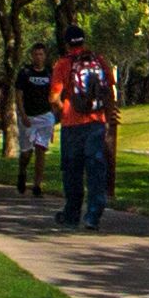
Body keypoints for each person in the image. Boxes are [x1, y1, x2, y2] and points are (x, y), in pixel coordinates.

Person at [49, 24, 123, 229]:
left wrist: (61, 111)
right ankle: (93, 215)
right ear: (83, 40)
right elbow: (109, 91)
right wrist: (108, 116)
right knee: (95, 169)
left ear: (66, 42)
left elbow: (54, 97)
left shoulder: (63, 64)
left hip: (72, 125)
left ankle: (72, 214)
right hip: (96, 123)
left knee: (72, 171)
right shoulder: (99, 61)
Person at [10, 43, 60, 198]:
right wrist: (22, 114)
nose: (38, 57)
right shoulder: (25, 73)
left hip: (45, 116)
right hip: (28, 116)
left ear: (45, 56)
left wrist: (54, 116)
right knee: (26, 152)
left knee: (41, 150)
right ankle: (22, 172)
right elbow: (18, 95)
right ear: (32, 55)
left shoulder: (50, 74)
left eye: (41, 54)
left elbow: (54, 95)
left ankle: (37, 185)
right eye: (36, 54)